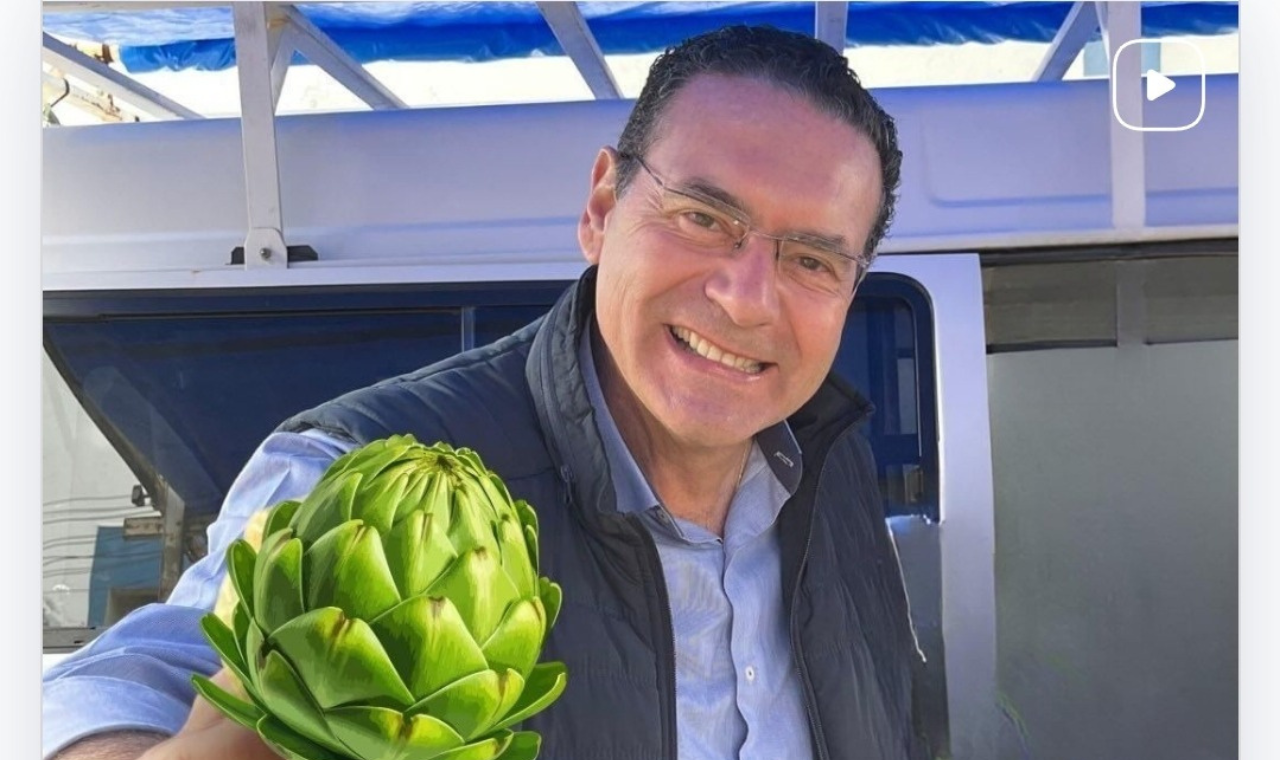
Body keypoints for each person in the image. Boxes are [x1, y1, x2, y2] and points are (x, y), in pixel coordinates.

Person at [43, 24, 925, 760]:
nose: (744, 296)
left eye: (811, 259)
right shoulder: (360, 483)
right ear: (602, 207)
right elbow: (115, 679)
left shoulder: (832, 463)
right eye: (703, 217)